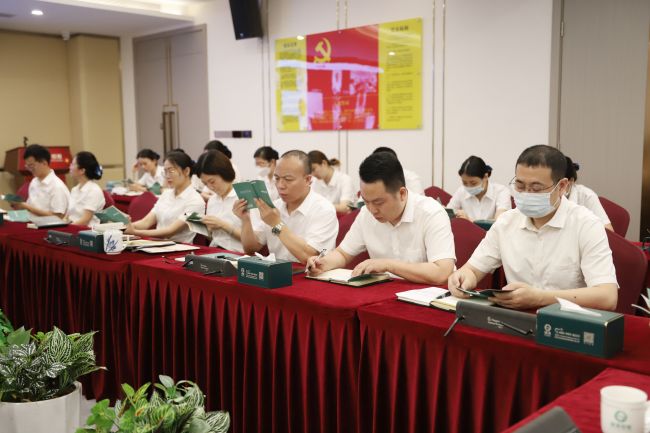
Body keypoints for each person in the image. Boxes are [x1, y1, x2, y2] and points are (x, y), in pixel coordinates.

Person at [448, 145, 618, 311]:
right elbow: (472, 270)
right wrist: (462, 278)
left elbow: (607, 297)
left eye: (536, 188)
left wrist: (541, 298)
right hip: (516, 319)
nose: (526, 194)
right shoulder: (506, 223)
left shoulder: (586, 225)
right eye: (520, 186)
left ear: (562, 187)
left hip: (567, 321)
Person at [307, 152, 456, 285]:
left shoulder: (431, 213)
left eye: (378, 202)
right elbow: (342, 254)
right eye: (366, 201)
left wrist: (388, 265)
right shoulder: (365, 214)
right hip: (383, 295)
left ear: (402, 194)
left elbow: (441, 272)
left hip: (428, 296)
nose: (372, 210)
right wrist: (323, 263)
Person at [234, 150, 338, 264]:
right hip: (277, 270)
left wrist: (276, 224)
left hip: (308, 272)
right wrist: (245, 220)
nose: (280, 185)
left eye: (288, 179)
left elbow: (310, 257)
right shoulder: (275, 206)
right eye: (277, 178)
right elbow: (251, 248)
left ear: (308, 180)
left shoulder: (323, 209)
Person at [125, 150, 205, 243]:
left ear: (186, 171)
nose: (167, 176)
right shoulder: (166, 194)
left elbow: (170, 232)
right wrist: (125, 226)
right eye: (165, 172)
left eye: (171, 171)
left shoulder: (196, 201)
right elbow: (146, 222)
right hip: (157, 245)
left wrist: (135, 232)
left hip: (179, 248)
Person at [195, 150, 243, 252]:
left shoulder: (242, 197)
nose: (210, 187)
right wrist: (205, 229)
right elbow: (214, 238)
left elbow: (255, 241)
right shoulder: (212, 200)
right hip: (214, 252)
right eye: (205, 184)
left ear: (224, 173)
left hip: (238, 254)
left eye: (212, 181)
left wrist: (222, 225)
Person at [8, 144, 70, 218]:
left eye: (31, 165)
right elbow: (30, 209)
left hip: (48, 225)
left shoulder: (57, 186)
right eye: (27, 166)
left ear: (44, 163)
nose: (29, 169)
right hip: (31, 221)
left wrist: (27, 207)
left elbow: (57, 217)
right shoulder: (34, 182)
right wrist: (18, 204)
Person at [447, 156, 511, 221]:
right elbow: (447, 214)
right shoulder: (461, 191)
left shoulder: (501, 191)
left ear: (485, 177)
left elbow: (500, 222)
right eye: (465, 183)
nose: (469, 187)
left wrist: (469, 221)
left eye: (473, 183)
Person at [565, 157, 614, 231]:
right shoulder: (547, 198)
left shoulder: (586, 196)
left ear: (571, 181)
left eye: (557, 183)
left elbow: (608, 231)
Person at [66, 151, 106, 226]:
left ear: (82, 170)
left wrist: (67, 228)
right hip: (73, 227)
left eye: (73, 164)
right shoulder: (74, 189)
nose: (70, 167)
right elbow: (69, 215)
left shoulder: (94, 190)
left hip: (87, 230)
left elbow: (85, 221)